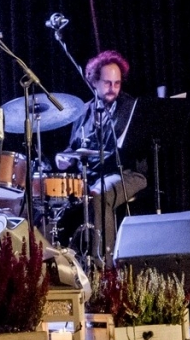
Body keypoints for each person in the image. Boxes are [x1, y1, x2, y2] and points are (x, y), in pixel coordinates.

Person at [54, 50, 147, 263]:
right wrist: (64, 158)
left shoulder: (130, 108)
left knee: (99, 194)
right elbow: (73, 147)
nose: (113, 88)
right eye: (107, 83)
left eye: (117, 83)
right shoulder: (83, 112)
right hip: (93, 176)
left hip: (128, 173)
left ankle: (104, 264)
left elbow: (133, 148)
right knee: (52, 197)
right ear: (94, 82)